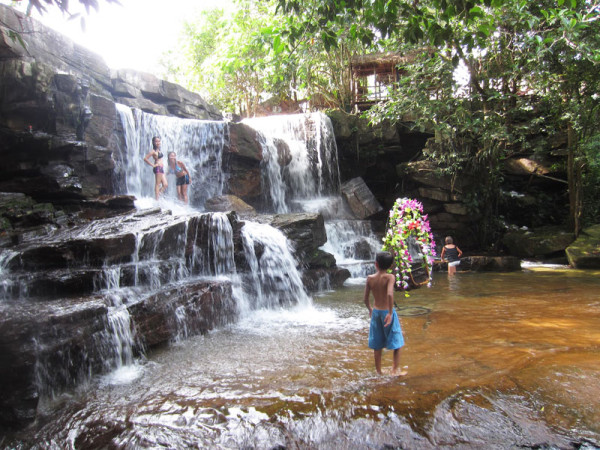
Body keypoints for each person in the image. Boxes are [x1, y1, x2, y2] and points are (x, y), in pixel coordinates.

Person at [363, 251, 406, 376]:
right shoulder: (390, 277)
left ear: (376, 264)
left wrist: (370, 309)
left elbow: (365, 299)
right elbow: (389, 294)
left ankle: (379, 372)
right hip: (387, 312)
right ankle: (394, 370)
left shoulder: (370, 279)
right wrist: (390, 312)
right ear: (390, 266)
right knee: (397, 342)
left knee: (377, 344)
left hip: (376, 313)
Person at [143, 136, 168, 200]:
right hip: (158, 168)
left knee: (165, 184)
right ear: (153, 142)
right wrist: (153, 165)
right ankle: (157, 199)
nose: (158, 142)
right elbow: (145, 158)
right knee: (158, 184)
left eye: (159, 141)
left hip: (161, 168)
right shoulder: (153, 151)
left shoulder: (159, 150)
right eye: (156, 141)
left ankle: (158, 196)